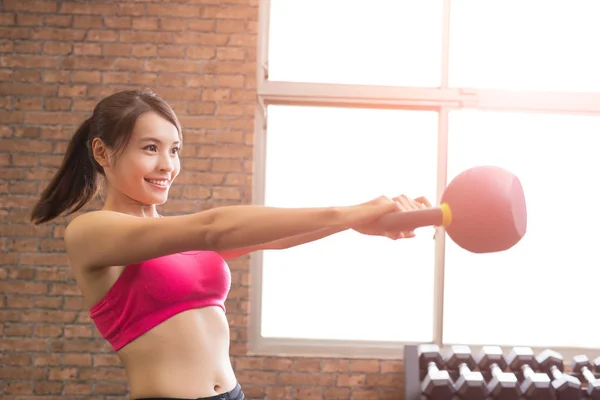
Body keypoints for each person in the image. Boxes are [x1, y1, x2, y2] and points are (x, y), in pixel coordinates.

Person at [30, 88, 431, 400]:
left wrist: (357, 224)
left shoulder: (173, 237)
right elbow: (215, 228)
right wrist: (352, 211)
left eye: (174, 150)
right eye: (150, 148)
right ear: (102, 151)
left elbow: (273, 238)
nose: (167, 165)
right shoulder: (91, 232)